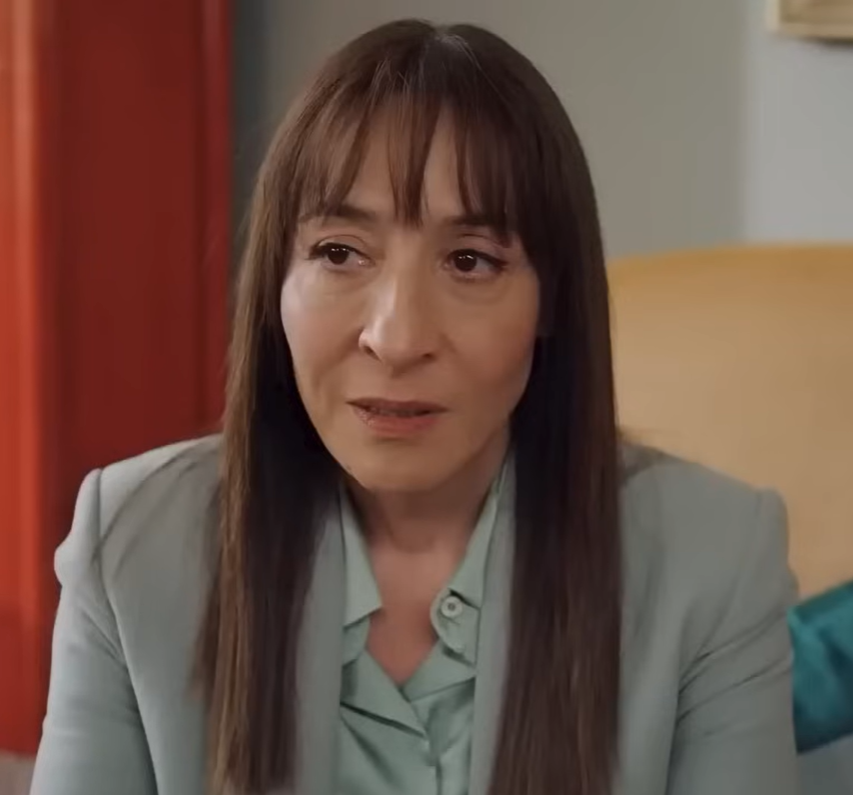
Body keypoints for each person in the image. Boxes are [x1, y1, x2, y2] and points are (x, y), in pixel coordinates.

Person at [30, 19, 798, 795]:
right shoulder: (134, 545)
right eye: (339, 252)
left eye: (469, 261)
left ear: (552, 302)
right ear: (274, 285)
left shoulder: (711, 560)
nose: (396, 339)